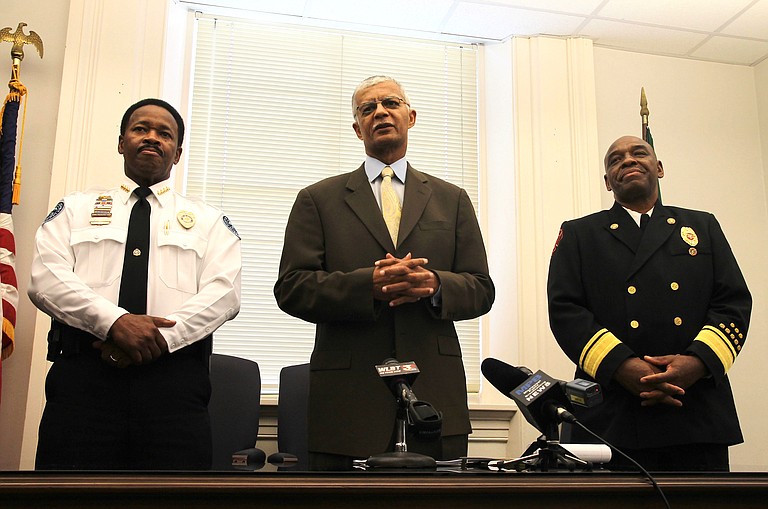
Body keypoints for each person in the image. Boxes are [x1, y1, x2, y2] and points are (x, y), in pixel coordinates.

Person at [274, 76, 494, 470]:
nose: (380, 112)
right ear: (357, 128)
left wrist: (436, 284)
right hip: (347, 396)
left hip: (434, 390)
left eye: (390, 103)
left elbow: (481, 289)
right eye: (366, 108)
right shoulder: (317, 199)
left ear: (410, 116)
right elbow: (292, 288)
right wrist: (367, 286)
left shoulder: (453, 199)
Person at [28, 98, 242, 470]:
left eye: (165, 134)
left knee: (173, 499)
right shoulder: (75, 209)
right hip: (83, 382)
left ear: (176, 154)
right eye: (140, 129)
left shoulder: (210, 222)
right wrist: (115, 322)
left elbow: (223, 294)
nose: (152, 138)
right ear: (121, 142)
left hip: (174, 388)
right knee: (69, 497)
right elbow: (46, 278)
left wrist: (159, 337)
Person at [547, 135, 751, 471]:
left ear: (659, 168)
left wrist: (696, 363)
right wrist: (624, 367)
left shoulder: (702, 225)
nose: (627, 160)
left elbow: (733, 303)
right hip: (613, 411)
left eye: (638, 153)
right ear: (607, 181)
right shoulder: (580, 234)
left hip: (694, 407)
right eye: (615, 159)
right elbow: (566, 312)